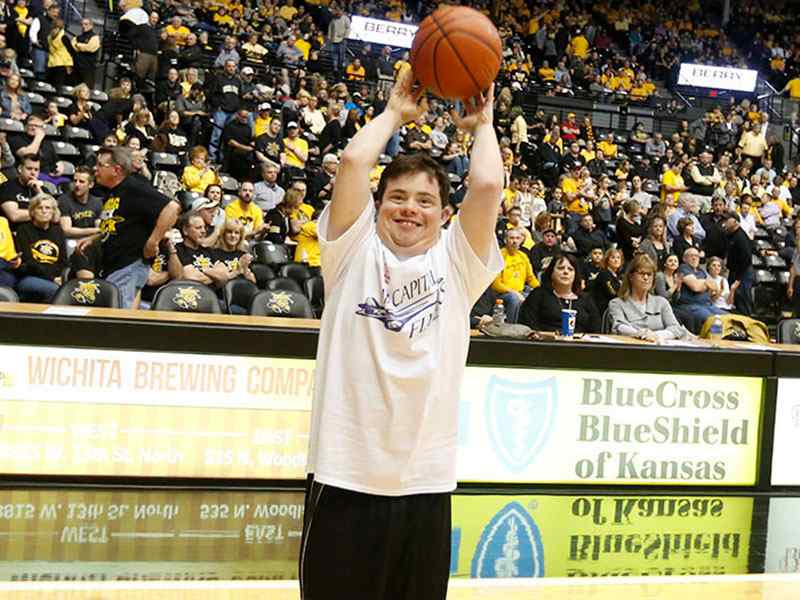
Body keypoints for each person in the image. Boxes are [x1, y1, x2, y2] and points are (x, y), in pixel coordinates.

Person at [300, 69, 503, 600]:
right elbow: (351, 163)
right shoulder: (351, 252)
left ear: (443, 214)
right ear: (378, 205)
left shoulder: (459, 263)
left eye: (424, 200)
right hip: (344, 476)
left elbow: (486, 185)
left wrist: (482, 125)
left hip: (425, 483)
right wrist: (394, 113)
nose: (409, 208)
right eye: (397, 197)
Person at [78, 147, 181, 309]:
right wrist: (95, 238)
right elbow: (120, 224)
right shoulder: (113, 192)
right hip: (116, 265)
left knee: (117, 319)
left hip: (127, 264)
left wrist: (153, 242)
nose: (95, 169)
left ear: (116, 170)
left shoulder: (134, 186)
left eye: (100, 165)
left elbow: (172, 208)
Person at [608, 254, 689, 341]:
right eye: (642, 273)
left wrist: (656, 335)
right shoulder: (616, 303)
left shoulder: (662, 302)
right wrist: (639, 333)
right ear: (631, 276)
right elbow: (618, 326)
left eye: (649, 274)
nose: (646, 277)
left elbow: (675, 328)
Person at [519, 253, 601, 333]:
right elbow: (528, 326)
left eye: (570, 269)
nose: (566, 272)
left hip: (580, 345)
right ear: (551, 273)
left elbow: (595, 331)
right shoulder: (538, 295)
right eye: (561, 268)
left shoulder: (586, 299)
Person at [14, 193, 67, 302]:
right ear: (32, 211)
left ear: (53, 212)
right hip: (29, 277)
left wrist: (58, 277)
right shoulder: (23, 230)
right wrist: (51, 278)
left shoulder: (58, 231)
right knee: (56, 291)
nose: (44, 211)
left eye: (48, 208)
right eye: (39, 208)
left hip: (55, 278)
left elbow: (63, 261)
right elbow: (28, 262)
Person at [490, 227, 540, 323]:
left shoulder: (523, 256)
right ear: (505, 240)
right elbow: (496, 285)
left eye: (517, 238)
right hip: (501, 294)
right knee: (514, 298)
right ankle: (511, 327)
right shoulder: (499, 256)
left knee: (536, 297)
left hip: (520, 292)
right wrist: (515, 293)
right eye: (511, 238)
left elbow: (531, 278)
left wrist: (540, 290)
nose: (515, 241)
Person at [673, 247, 726, 333]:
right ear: (684, 258)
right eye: (691, 256)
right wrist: (705, 282)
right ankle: (715, 343)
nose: (694, 258)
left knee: (729, 318)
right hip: (691, 305)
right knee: (713, 320)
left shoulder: (701, 271)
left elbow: (714, 287)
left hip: (708, 305)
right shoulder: (683, 268)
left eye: (697, 256)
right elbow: (696, 287)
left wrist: (701, 283)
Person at [0, 153, 44, 230]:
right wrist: (43, 215)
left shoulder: (41, 189)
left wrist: (39, 191)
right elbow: (14, 216)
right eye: (29, 168)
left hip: (39, 234)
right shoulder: (8, 187)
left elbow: (56, 216)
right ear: (20, 169)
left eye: (36, 170)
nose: (33, 173)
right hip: (15, 233)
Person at [722, 211, 753, 315]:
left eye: (727, 220)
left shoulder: (740, 237)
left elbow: (746, 259)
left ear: (735, 221)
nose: (725, 222)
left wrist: (738, 280)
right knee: (736, 303)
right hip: (735, 272)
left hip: (742, 274)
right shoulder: (731, 234)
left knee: (743, 303)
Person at [57, 166, 101, 239]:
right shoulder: (64, 200)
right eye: (75, 181)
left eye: (81, 181)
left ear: (91, 185)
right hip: (70, 242)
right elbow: (66, 230)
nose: (77, 184)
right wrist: (94, 231)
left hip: (91, 240)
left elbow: (99, 227)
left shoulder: (97, 202)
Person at [589, 247, 623, 316]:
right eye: (613, 258)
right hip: (601, 311)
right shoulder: (604, 274)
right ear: (607, 260)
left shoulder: (617, 276)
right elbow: (612, 293)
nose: (616, 260)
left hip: (612, 308)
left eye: (618, 258)